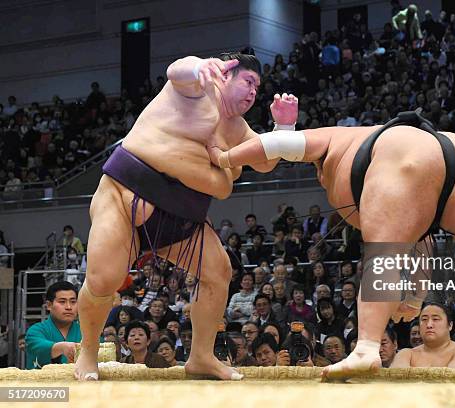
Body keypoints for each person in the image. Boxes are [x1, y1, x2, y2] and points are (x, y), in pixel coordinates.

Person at [208, 110, 455, 378]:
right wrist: (413, 296)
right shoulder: (384, 153)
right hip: (454, 150)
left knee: (383, 250)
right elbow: (421, 244)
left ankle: (366, 348)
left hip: (398, 153)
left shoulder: (333, 139)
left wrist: (226, 156)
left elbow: (276, 145)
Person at [74, 52, 298, 381]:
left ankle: (201, 357)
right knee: (103, 281)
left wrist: (284, 126)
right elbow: (176, 71)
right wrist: (199, 65)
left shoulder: (237, 128)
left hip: (180, 221)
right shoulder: (193, 92)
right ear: (225, 75)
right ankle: (88, 354)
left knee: (218, 271)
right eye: (248, 82)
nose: (253, 92)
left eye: (257, 87)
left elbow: (265, 160)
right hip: (125, 198)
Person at [391, 303, 455, 368]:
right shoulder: (406, 354)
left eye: (435, 319)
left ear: (450, 325)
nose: (429, 325)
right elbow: (397, 385)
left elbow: (453, 385)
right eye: (424, 319)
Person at [25, 282, 82, 369]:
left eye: (73, 302)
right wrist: (62, 347)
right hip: (42, 382)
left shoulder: (87, 332)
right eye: (62, 302)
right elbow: (39, 348)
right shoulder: (36, 331)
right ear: (49, 305)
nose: (69, 307)